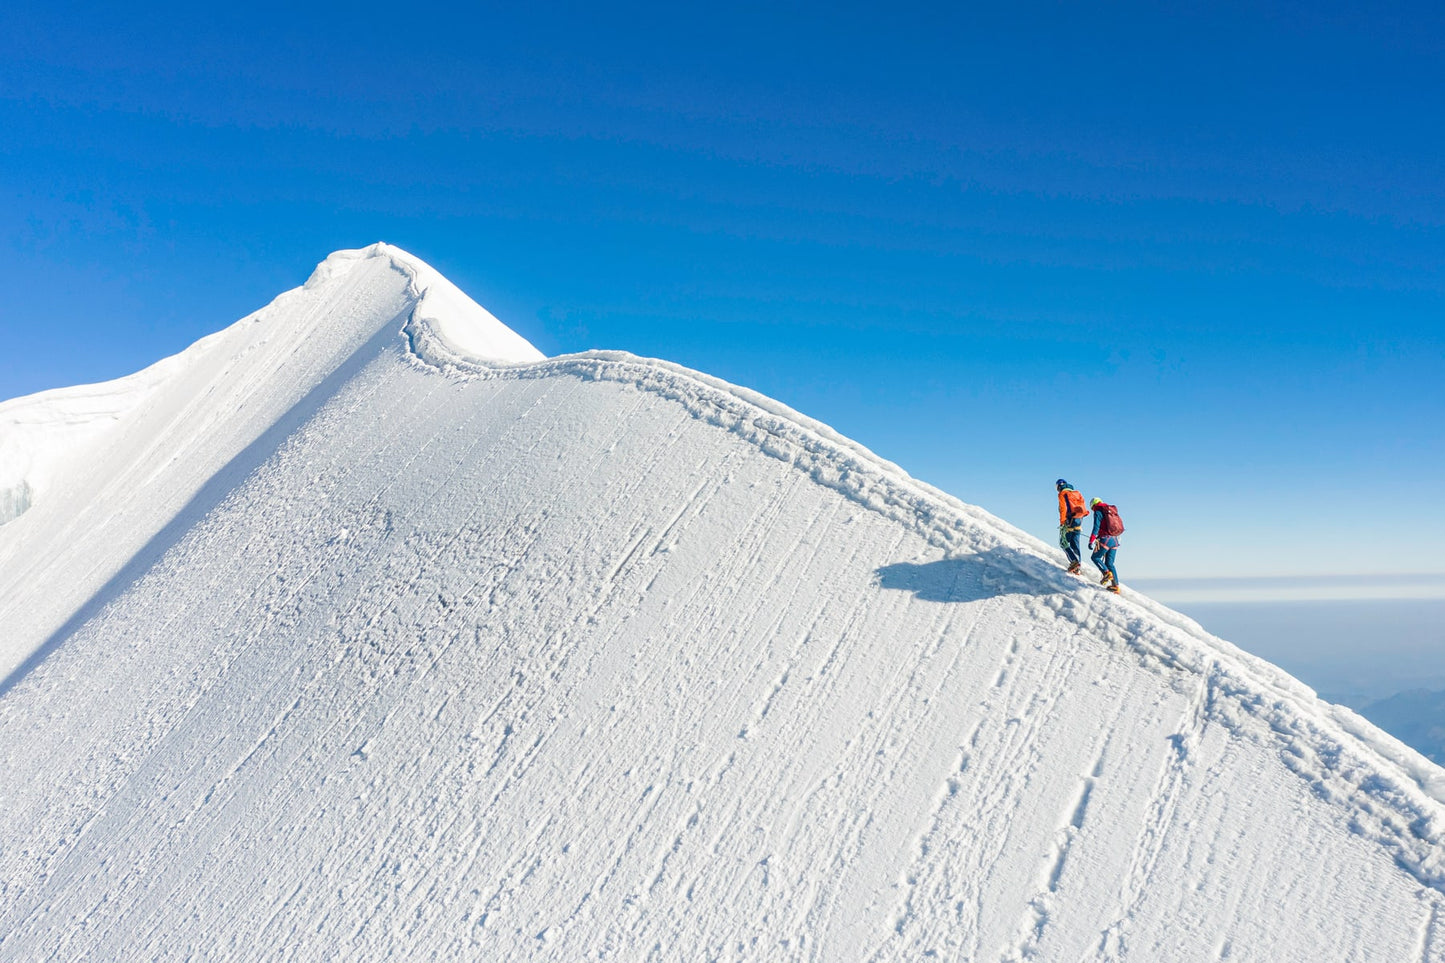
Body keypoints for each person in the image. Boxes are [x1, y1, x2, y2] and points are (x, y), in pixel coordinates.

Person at [1088, 497, 1123, 593]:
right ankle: (1116, 586)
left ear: (1093, 505)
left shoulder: (1098, 511)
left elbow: (1096, 527)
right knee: (1110, 563)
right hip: (1115, 539)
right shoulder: (1110, 511)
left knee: (1095, 557)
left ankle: (1106, 573)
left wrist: (1091, 540)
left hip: (1105, 539)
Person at [1055, 479, 1087, 574]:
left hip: (1069, 520)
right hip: (1079, 520)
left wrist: (1062, 522)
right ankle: (1077, 567)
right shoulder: (1076, 493)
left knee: (1063, 542)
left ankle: (1074, 562)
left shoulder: (1062, 494)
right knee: (1075, 544)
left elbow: (1063, 509)